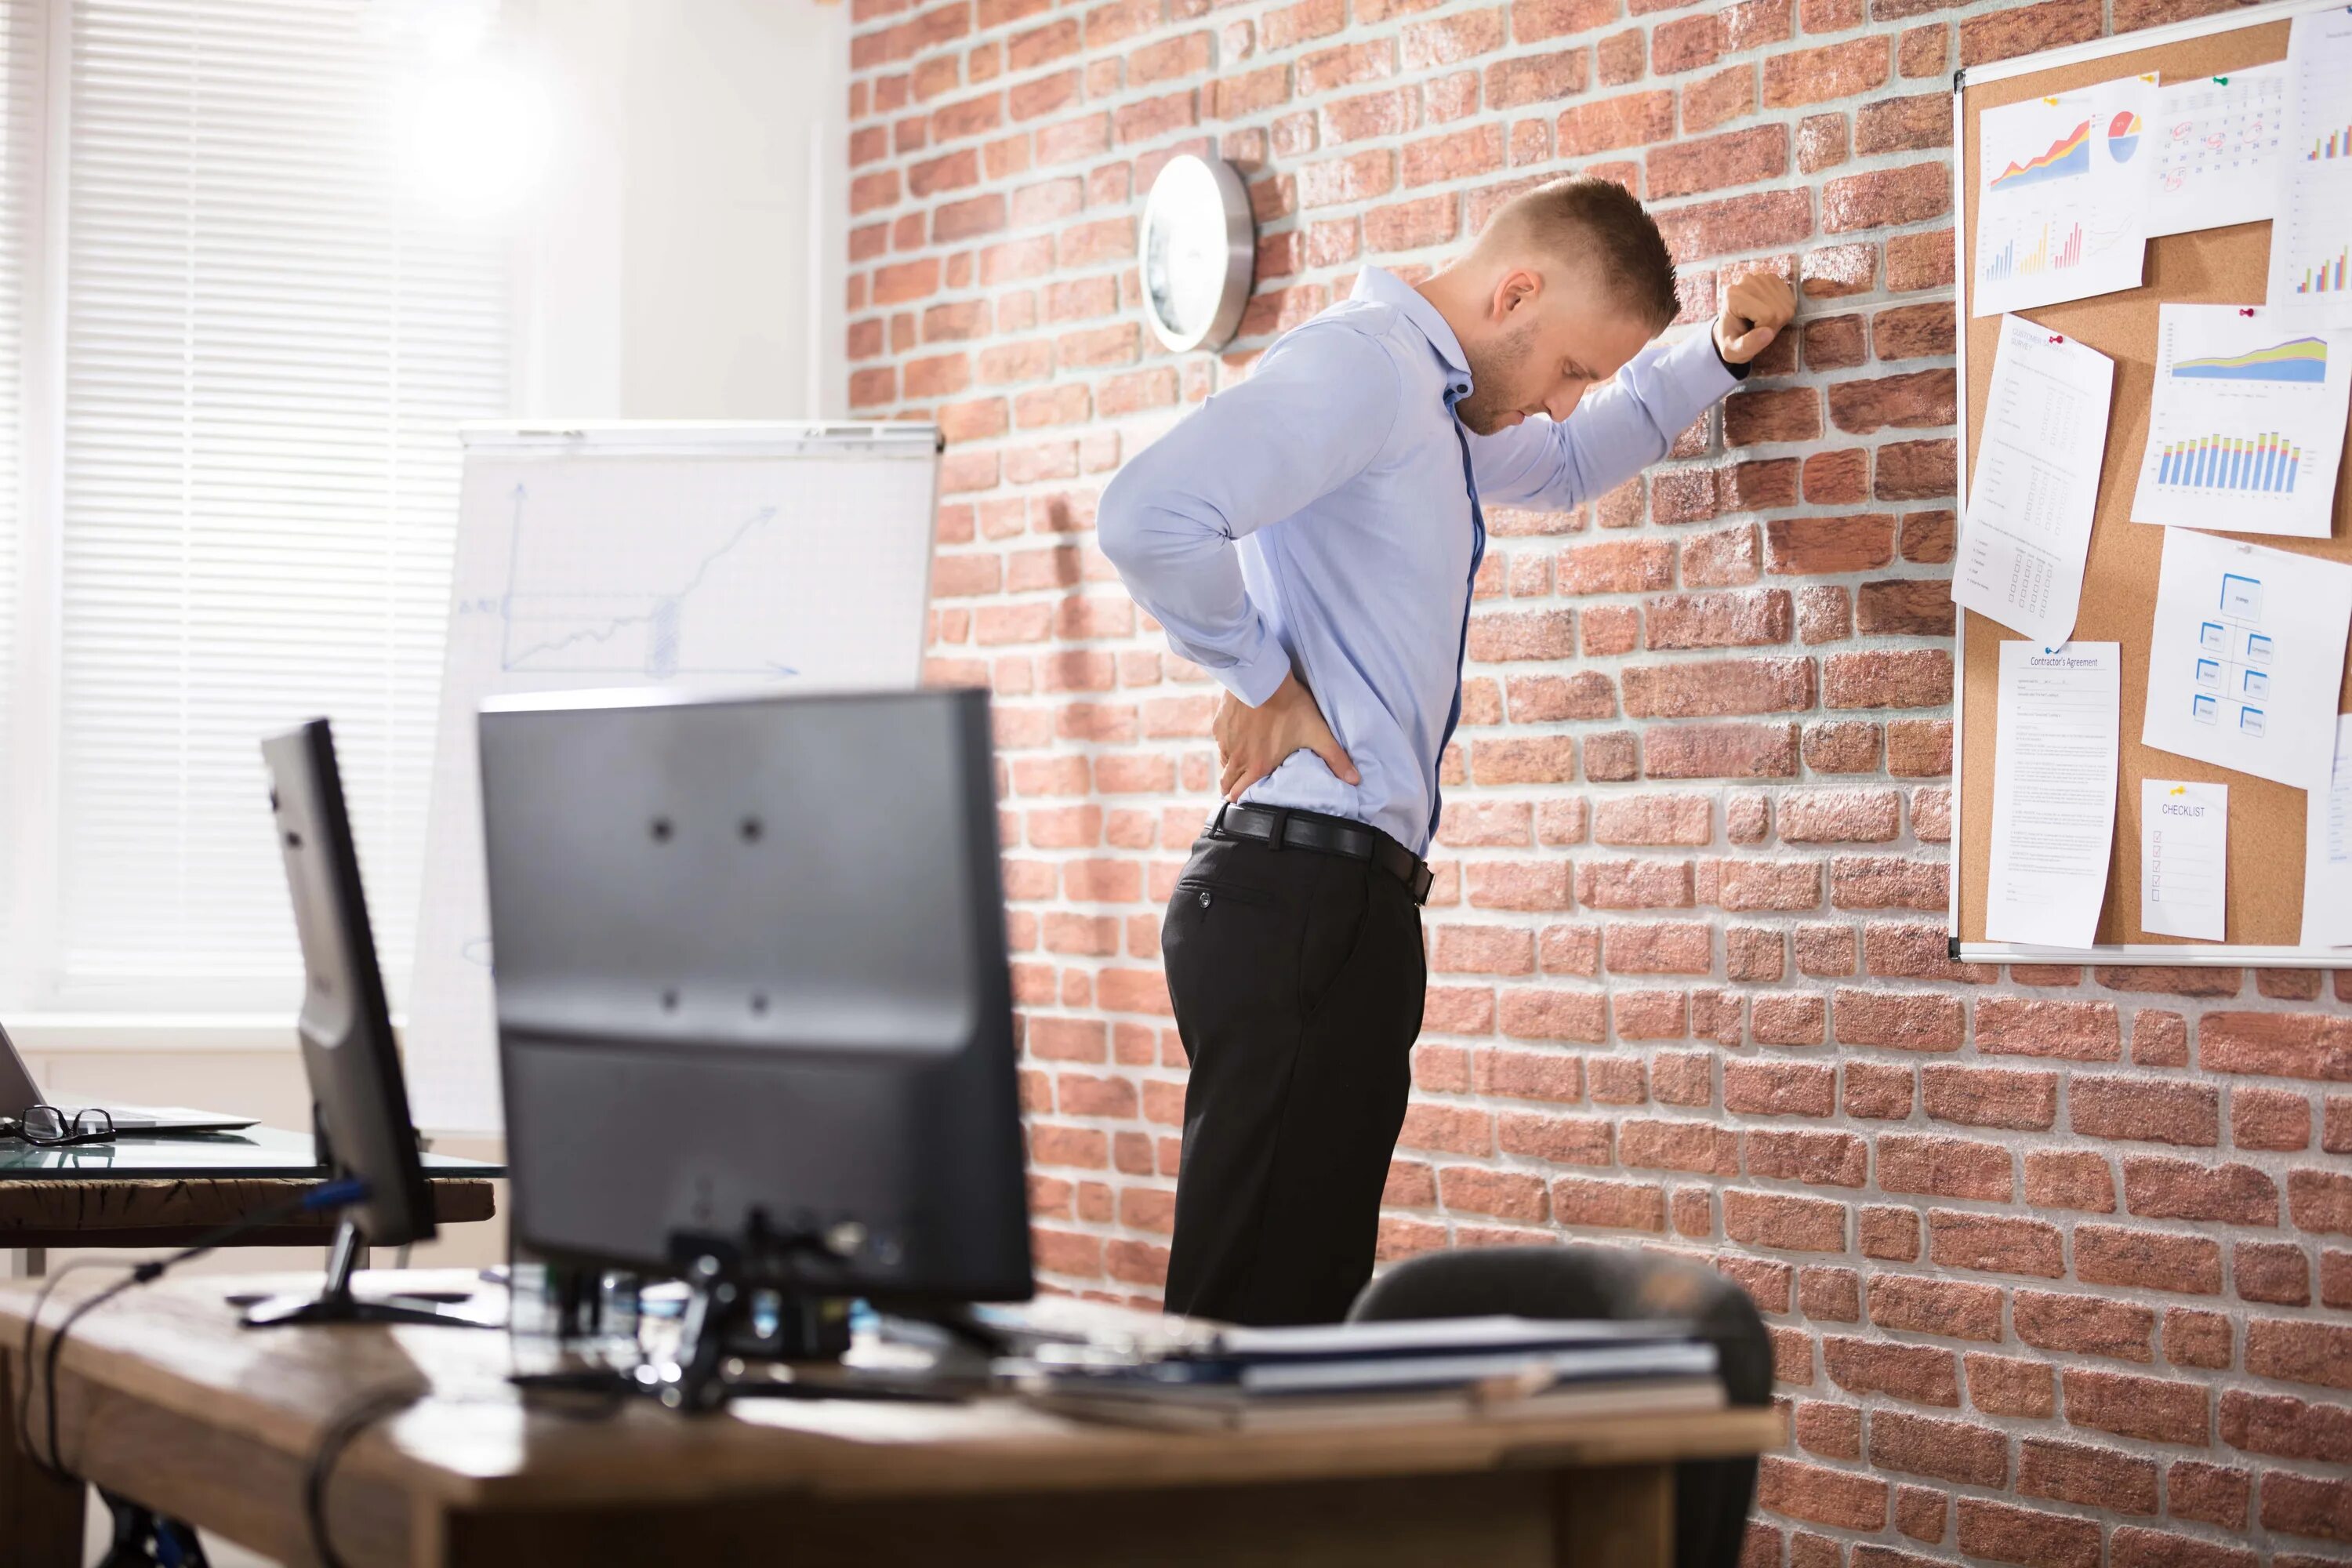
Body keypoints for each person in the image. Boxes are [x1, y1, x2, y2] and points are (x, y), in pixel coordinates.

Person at [1096, 175, 1797, 1327]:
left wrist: (1714, 359)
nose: (1569, 404)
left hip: (1333, 901)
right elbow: (1146, 515)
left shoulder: (1435, 411)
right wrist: (1260, 679)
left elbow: (1572, 468)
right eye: (1572, 368)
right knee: (1256, 1335)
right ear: (1514, 291)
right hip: (1304, 894)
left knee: (1295, 1314)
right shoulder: (1367, 372)